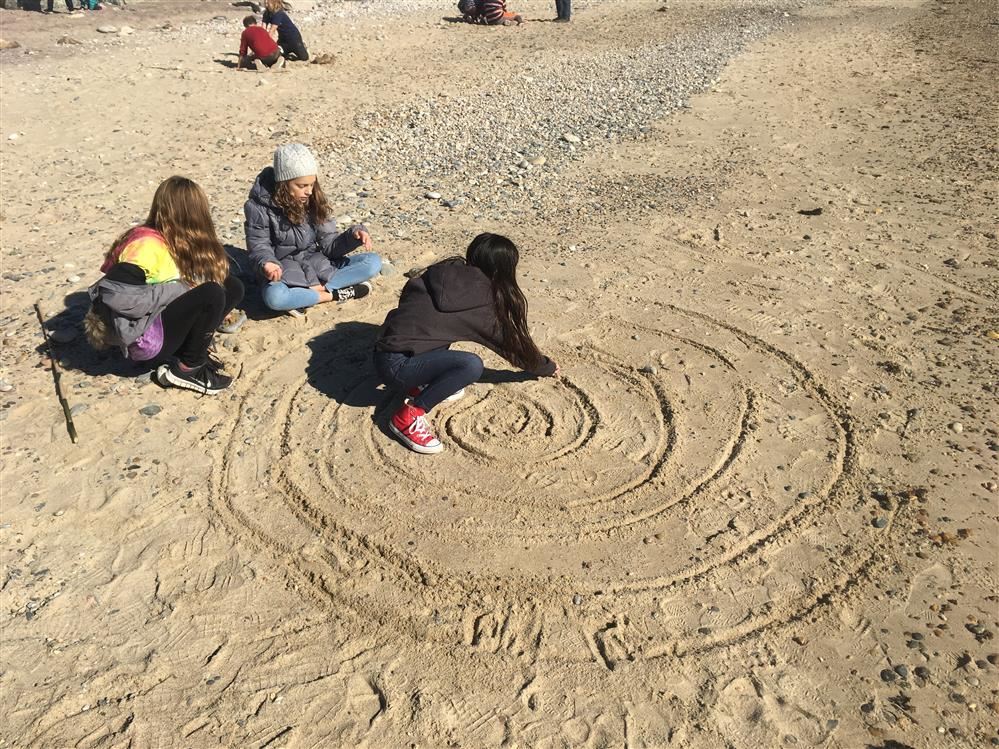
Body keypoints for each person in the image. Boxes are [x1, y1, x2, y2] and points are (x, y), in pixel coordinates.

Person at [374, 233, 558, 454]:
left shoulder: (440, 272)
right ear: (503, 269)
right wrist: (546, 366)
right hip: (397, 367)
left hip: (384, 350)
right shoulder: (483, 301)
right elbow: (511, 346)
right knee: (470, 365)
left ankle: (421, 383)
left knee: (437, 330)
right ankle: (408, 416)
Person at [85, 177, 244, 395]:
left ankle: (188, 349)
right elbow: (118, 297)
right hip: (144, 339)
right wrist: (180, 289)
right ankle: (188, 367)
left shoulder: (176, 238)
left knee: (232, 287)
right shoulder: (146, 246)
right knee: (212, 294)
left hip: (158, 319)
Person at [244, 143, 381, 316]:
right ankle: (332, 294)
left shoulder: (312, 199)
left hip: (315, 263)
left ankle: (305, 297)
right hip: (283, 272)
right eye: (301, 186)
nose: (309, 191)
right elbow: (258, 245)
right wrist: (267, 264)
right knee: (275, 297)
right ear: (283, 184)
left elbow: (330, 246)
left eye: (311, 184)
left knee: (373, 262)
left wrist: (353, 236)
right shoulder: (258, 207)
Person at [458, 0, 523, 26]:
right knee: (515, 16)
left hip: (470, 6)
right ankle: (520, 22)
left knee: (467, 4)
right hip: (496, 17)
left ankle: (474, 16)